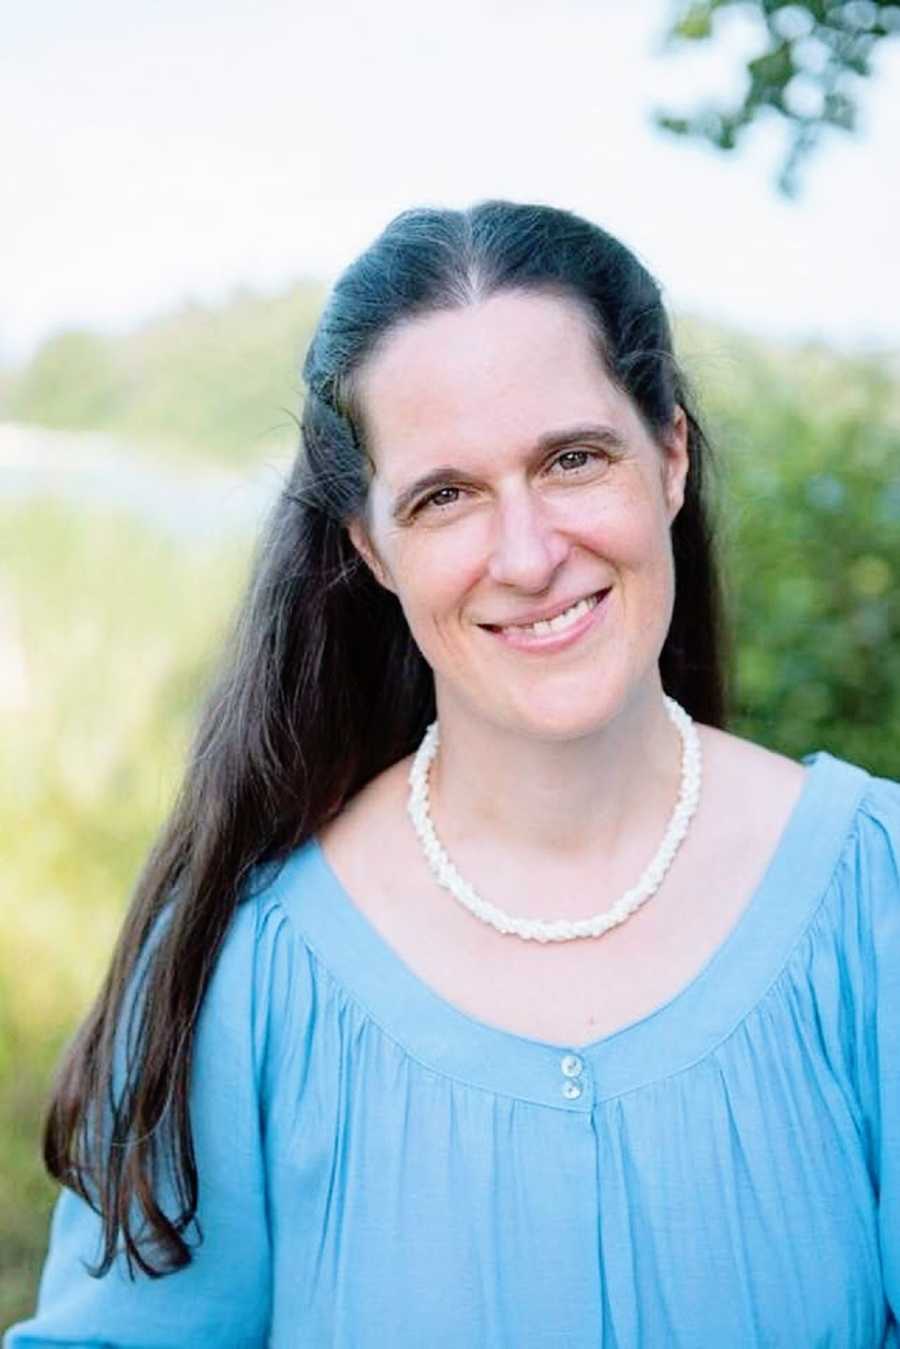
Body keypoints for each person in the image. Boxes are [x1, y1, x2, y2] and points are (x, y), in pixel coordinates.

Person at [5, 201, 898, 1349]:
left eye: (573, 459)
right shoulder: (240, 963)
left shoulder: (871, 894)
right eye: (445, 495)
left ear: (669, 457)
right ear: (371, 547)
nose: (527, 556)